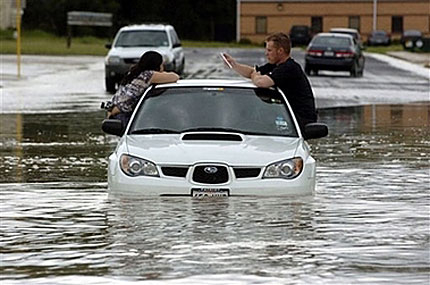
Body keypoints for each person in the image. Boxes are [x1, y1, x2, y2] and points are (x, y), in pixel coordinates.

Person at [223, 32, 317, 133]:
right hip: (286, 118)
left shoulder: (289, 68)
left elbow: (261, 82)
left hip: (300, 123)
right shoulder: (275, 65)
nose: (266, 53)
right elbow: (252, 71)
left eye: (269, 50)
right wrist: (234, 65)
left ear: (280, 51)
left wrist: (255, 75)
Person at [107, 51, 179, 127]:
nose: (163, 67)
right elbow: (175, 77)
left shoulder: (134, 73)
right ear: (156, 65)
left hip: (115, 113)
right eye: (161, 64)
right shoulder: (148, 75)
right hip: (124, 116)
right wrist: (163, 73)